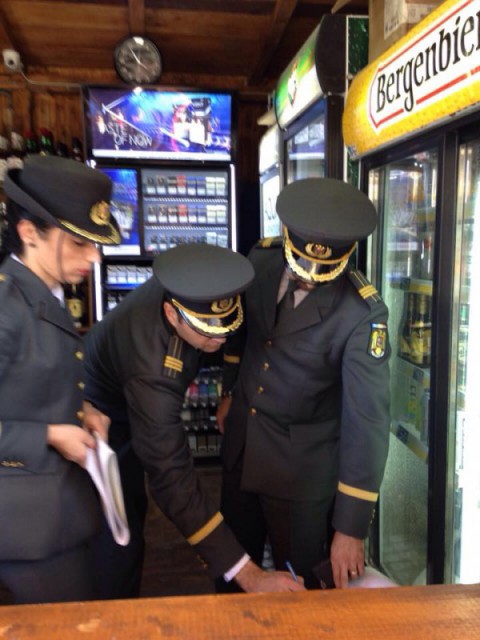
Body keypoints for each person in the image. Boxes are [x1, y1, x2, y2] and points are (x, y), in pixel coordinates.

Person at [83, 243, 304, 599]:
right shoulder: (151, 369)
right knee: (120, 533)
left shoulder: (195, 287)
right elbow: (172, 479)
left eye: (224, 325)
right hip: (104, 415)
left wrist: (229, 391)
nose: (217, 338)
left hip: (130, 385)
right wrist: (250, 575)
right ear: (171, 315)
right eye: (206, 330)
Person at [216, 177, 391, 591]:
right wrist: (228, 391)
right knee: (231, 577)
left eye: (324, 272)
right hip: (241, 448)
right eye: (302, 266)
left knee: (304, 593)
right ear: (286, 239)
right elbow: (240, 330)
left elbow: (367, 424)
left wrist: (350, 527)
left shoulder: (363, 313)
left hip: (301, 477)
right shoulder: (260, 261)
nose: (310, 279)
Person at [0, 155, 121, 604]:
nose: (93, 257)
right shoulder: (6, 305)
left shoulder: (46, 291)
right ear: (29, 233)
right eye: (78, 243)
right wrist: (51, 434)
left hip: (58, 515)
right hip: (25, 530)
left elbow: (27, 385)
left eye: (96, 244)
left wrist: (81, 411)